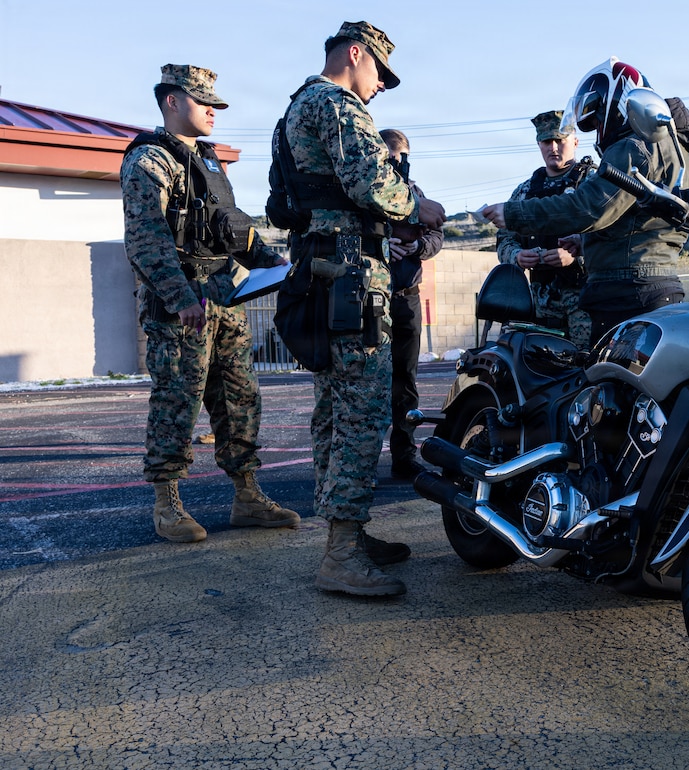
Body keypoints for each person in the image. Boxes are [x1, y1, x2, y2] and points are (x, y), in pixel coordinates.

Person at [280, 20, 446, 598]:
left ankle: (346, 535)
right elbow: (372, 183)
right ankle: (342, 551)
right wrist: (421, 207)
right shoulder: (338, 103)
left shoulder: (297, 106)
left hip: (325, 268)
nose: (379, 86)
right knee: (359, 413)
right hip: (353, 272)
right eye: (379, 71)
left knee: (333, 410)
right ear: (356, 54)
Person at [120, 64, 300, 544]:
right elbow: (145, 240)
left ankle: (246, 496)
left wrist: (274, 262)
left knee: (240, 398)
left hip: (224, 298)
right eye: (203, 103)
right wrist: (180, 298)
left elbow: (233, 228)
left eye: (215, 104)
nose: (213, 112)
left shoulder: (210, 161)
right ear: (172, 101)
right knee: (177, 401)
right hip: (182, 306)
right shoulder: (149, 161)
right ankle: (167, 503)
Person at [481, 59, 689, 343]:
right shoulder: (668, 145)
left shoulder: (634, 147)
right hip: (630, 286)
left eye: (597, 119)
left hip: (625, 289)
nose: (553, 147)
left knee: (605, 381)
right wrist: (584, 242)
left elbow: (589, 208)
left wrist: (514, 215)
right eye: (546, 142)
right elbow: (637, 220)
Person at [495, 111, 594, 349]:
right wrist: (516, 256)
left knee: (586, 370)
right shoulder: (525, 191)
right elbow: (504, 240)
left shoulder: (593, 184)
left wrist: (577, 255)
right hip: (540, 305)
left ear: (575, 142)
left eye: (560, 140)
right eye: (546, 142)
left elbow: (612, 234)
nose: (553, 148)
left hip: (586, 301)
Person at [378, 128, 445, 481]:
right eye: (389, 155)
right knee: (371, 382)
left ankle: (404, 455)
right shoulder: (367, 192)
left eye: (402, 155)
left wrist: (417, 248)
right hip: (372, 302)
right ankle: (360, 464)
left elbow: (436, 235)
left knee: (406, 382)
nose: (396, 161)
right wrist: (383, 246)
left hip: (407, 298)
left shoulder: (415, 195)